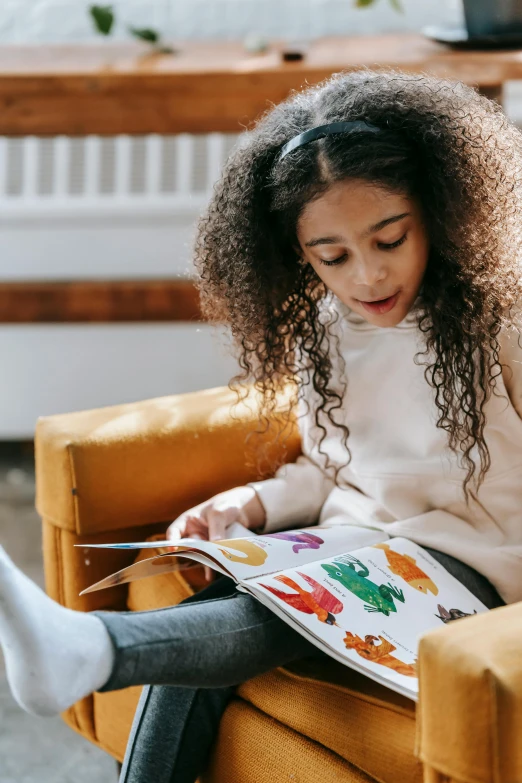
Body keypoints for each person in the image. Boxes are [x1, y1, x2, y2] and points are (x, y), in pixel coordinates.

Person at [1, 68, 521, 782]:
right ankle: (88, 658)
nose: (367, 275)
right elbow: (335, 463)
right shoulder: (325, 327)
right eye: (332, 256)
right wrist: (252, 503)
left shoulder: (505, 326)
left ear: (438, 210)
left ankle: (95, 648)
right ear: (298, 253)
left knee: (298, 600)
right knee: (229, 597)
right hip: (359, 539)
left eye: (390, 239)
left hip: (479, 569)